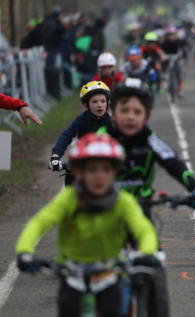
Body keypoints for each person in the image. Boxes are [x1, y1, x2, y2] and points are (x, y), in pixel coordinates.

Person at [16, 132, 160, 317]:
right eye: (92, 170)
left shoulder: (123, 201)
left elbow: (144, 229)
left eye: (106, 170)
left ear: (116, 172)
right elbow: (39, 222)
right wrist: (25, 251)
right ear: (78, 172)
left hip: (109, 274)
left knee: (115, 310)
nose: (99, 176)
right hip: (72, 274)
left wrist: (146, 252)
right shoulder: (69, 198)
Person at [100, 78, 195, 218]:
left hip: (140, 212)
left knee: (149, 240)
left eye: (137, 112)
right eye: (124, 111)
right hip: (105, 210)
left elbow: (174, 163)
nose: (130, 117)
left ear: (147, 117)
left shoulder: (151, 140)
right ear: (113, 113)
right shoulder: (100, 138)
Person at [49, 81, 111, 172]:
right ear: (86, 105)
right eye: (95, 102)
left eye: (103, 101)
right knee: (71, 174)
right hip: (84, 159)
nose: (99, 105)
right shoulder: (81, 120)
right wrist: (55, 156)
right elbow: (67, 135)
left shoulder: (112, 121)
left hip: (107, 158)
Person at [161, 26, 184, 95]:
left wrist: (180, 55)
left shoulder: (178, 42)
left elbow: (181, 50)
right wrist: (163, 56)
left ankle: (180, 88)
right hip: (167, 59)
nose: (171, 37)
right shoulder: (164, 43)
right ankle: (164, 79)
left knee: (178, 72)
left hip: (176, 59)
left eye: (172, 35)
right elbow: (162, 51)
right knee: (163, 67)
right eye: (169, 35)